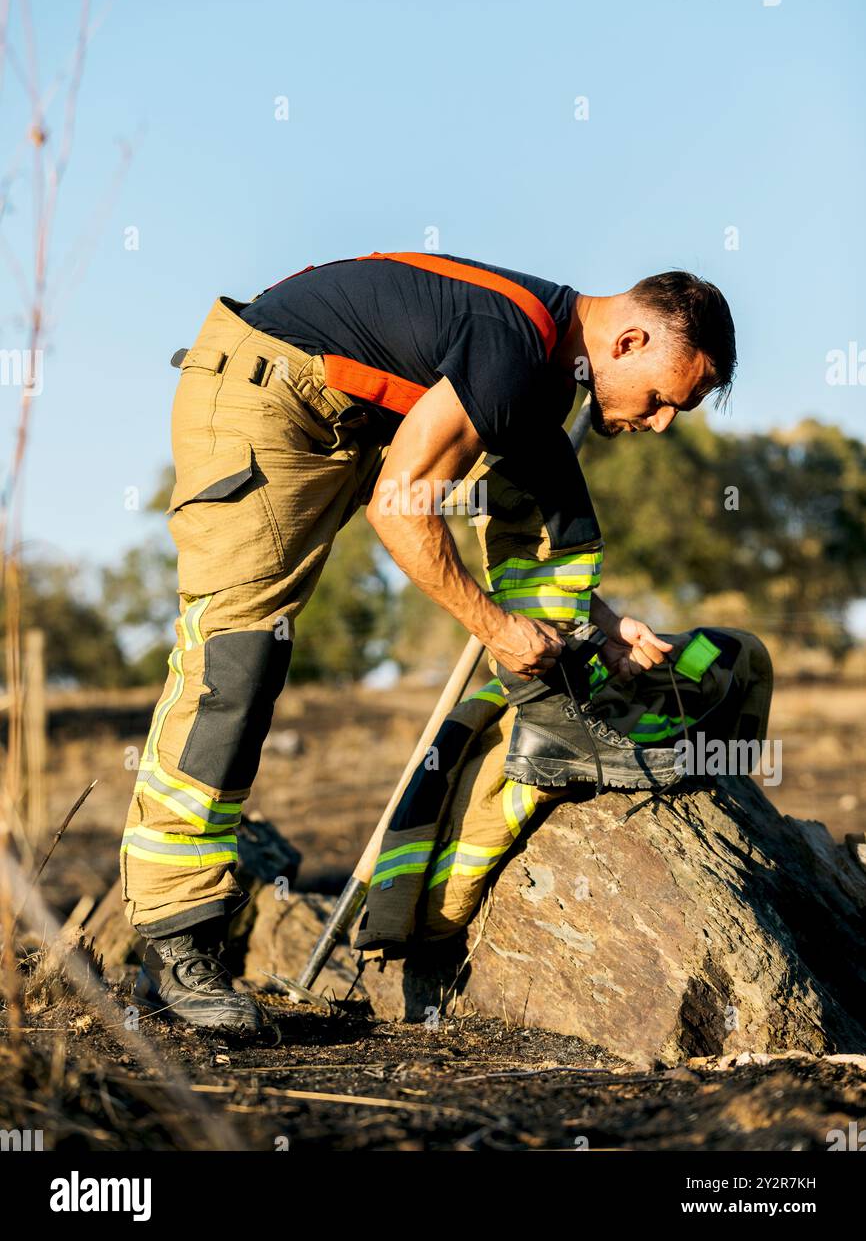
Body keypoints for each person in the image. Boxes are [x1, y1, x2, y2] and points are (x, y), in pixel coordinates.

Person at [120, 250, 736, 1034]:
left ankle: (556, 720)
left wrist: (602, 625)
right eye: (660, 401)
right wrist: (497, 628)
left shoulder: (545, 368)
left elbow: (521, 518)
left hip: (343, 414)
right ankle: (174, 940)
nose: (656, 425)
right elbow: (401, 509)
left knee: (548, 490)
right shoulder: (512, 345)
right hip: (262, 392)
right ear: (629, 343)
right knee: (235, 661)